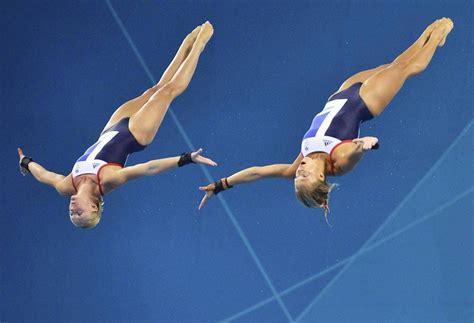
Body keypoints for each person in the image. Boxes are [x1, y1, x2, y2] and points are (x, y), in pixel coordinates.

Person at [198, 18, 454, 224]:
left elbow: (257, 172)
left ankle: (426, 36)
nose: (298, 172)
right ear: (320, 178)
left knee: (394, 65)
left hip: (342, 93)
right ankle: (436, 37)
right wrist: (366, 143)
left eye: (297, 177)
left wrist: (222, 184)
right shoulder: (338, 163)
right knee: (405, 69)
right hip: (367, 102)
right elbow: (356, 150)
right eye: (304, 176)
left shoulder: (302, 159)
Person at [18, 22, 216, 229]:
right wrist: (186, 158)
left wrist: (26, 162)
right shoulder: (107, 181)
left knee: (154, 90)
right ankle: (200, 44)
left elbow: (45, 176)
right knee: (168, 91)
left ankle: (187, 42)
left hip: (111, 128)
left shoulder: (66, 185)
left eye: (71, 214)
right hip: (136, 135)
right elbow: (148, 168)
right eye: (79, 212)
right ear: (94, 208)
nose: (73, 209)